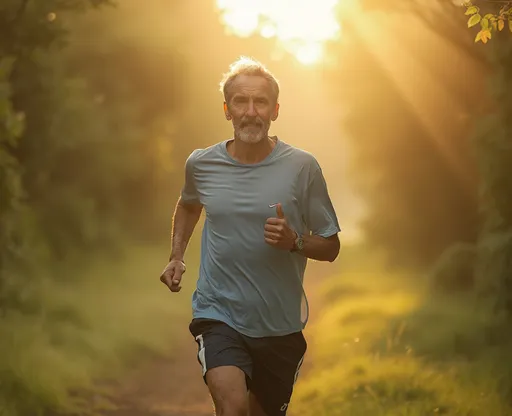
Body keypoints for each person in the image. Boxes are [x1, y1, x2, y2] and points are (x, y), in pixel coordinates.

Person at [160, 56, 341, 416]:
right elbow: (189, 204)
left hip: (280, 327)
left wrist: (295, 242)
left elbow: (331, 245)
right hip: (219, 313)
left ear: (275, 110)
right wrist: (176, 255)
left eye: (260, 102)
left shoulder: (302, 167)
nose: (251, 111)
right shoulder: (201, 163)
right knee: (233, 408)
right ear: (227, 110)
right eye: (241, 102)